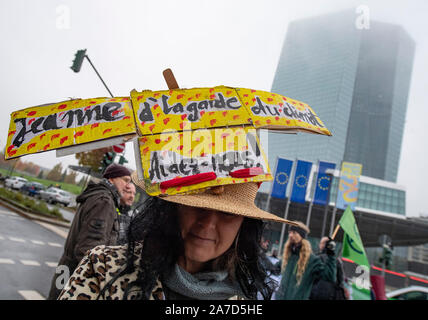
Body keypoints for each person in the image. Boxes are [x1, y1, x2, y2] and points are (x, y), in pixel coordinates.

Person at [58, 176, 299, 300]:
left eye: (227, 213)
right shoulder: (102, 268)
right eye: (196, 206)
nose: (208, 224)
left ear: (242, 226)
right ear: (173, 207)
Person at [47, 163, 132, 300]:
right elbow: (89, 247)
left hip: (67, 270)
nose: (127, 185)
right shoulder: (104, 201)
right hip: (79, 277)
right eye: (125, 180)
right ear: (111, 179)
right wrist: (100, 280)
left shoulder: (96, 196)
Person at [275, 221, 337, 300]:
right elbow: (274, 269)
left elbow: (330, 276)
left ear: (301, 236)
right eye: (289, 232)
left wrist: (331, 254)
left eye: (294, 232)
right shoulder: (287, 256)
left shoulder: (312, 260)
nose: (290, 235)